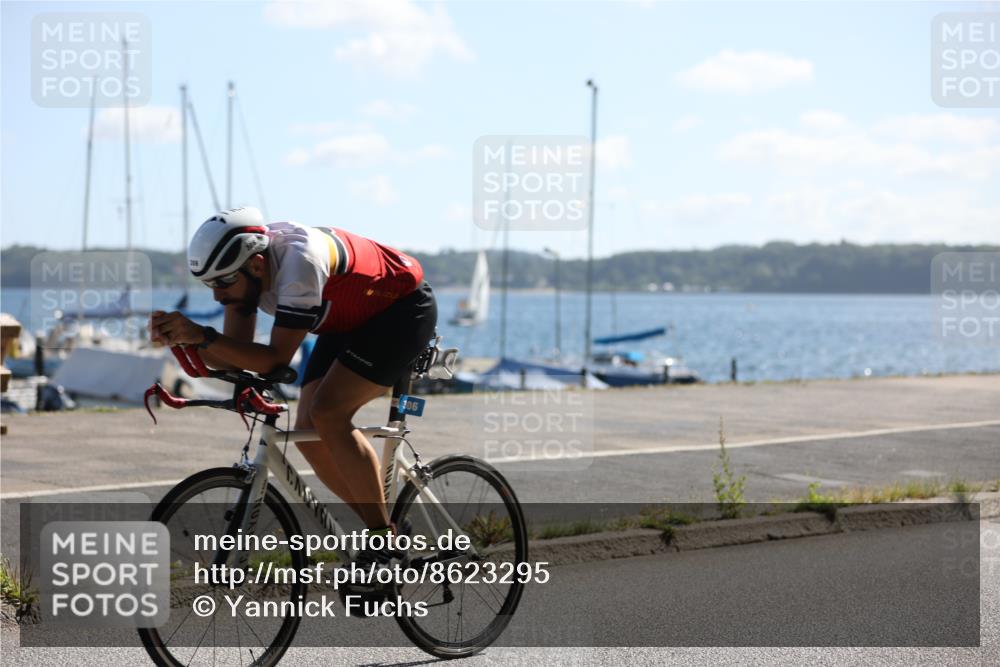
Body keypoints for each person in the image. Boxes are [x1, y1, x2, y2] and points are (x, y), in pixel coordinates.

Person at [149, 206, 437, 569]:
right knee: (309, 433)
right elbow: (235, 358)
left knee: (329, 414)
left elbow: (274, 360)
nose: (218, 297)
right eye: (210, 286)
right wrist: (183, 341)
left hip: (399, 310)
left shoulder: (299, 265)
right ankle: (386, 526)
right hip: (347, 318)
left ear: (255, 265)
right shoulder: (245, 278)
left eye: (222, 283)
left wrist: (203, 336)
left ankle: (383, 544)